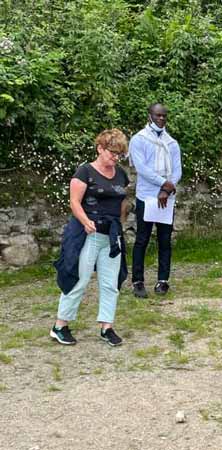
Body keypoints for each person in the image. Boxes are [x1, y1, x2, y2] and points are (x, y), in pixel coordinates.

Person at [51, 129, 129, 346]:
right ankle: (60, 326)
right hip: (88, 234)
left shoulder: (121, 174)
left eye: (119, 154)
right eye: (112, 152)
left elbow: (122, 201)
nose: (116, 157)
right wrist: (86, 222)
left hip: (111, 236)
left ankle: (107, 327)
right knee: (79, 278)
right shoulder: (84, 172)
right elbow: (74, 202)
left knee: (110, 283)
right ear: (100, 149)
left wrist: (120, 225)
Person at [129, 103, 182, 298]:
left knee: (164, 240)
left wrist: (167, 190)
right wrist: (163, 183)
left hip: (166, 198)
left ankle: (163, 280)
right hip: (147, 196)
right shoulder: (139, 139)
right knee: (142, 239)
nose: (161, 119)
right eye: (158, 115)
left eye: (164, 116)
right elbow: (142, 168)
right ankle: (138, 281)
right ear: (149, 116)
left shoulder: (171, 143)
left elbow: (177, 170)